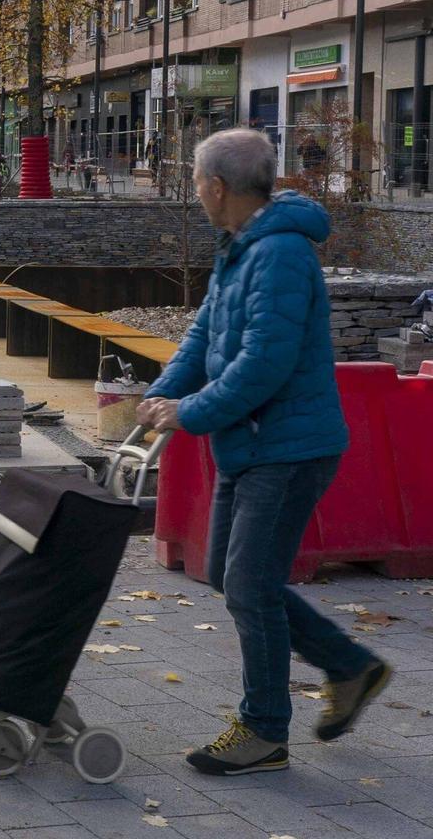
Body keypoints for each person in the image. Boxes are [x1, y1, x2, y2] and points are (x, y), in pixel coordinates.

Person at [138, 128, 389, 777]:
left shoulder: (278, 253)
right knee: (232, 574)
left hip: (287, 448)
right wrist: (162, 392)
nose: (196, 193)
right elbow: (205, 335)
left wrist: (188, 412)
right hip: (251, 445)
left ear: (218, 188)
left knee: (249, 583)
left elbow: (263, 366)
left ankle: (264, 729)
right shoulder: (242, 245)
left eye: (196, 182)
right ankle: (348, 666)